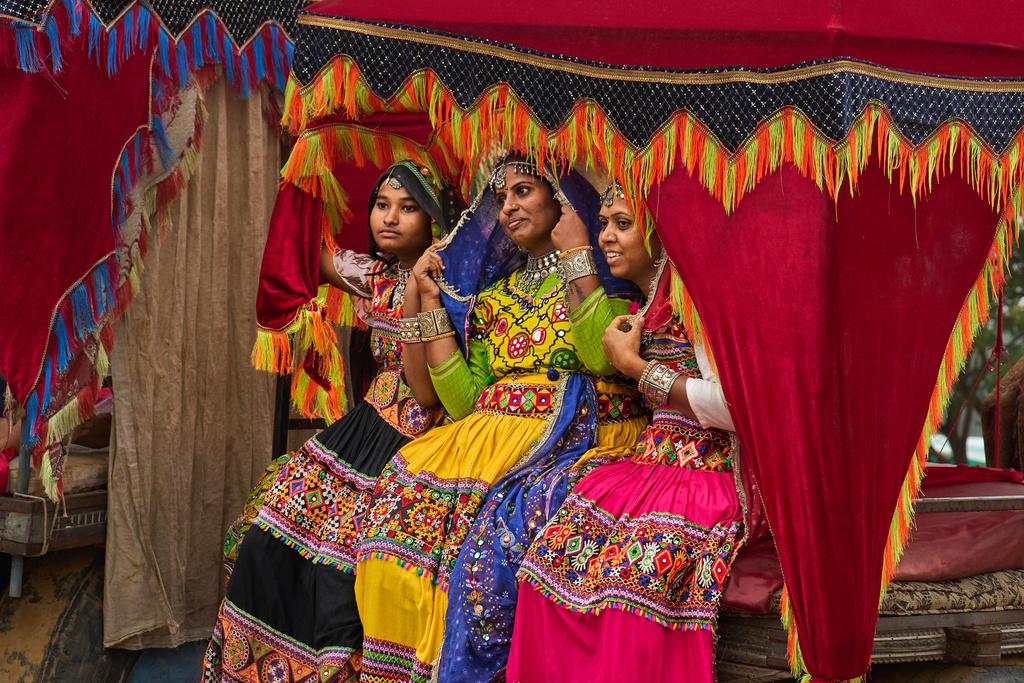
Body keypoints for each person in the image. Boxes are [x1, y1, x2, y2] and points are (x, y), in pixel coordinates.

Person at [352, 155, 648, 682]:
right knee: (395, 517)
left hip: (573, 439)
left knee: (494, 544)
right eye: (501, 196)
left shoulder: (615, 286)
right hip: (488, 438)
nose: (508, 205)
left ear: (561, 196)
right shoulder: (493, 299)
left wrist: (577, 250)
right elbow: (464, 402)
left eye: (524, 191)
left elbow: (601, 358)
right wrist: (428, 301)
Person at [202, 161, 460, 683]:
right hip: (365, 425)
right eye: (381, 206)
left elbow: (435, 384)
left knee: (345, 568)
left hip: (425, 435)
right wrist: (304, 166)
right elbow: (299, 253)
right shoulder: (373, 275)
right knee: (267, 535)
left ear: (436, 219)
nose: (389, 218)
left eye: (408, 208)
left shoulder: (456, 283)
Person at [506, 182, 744, 683]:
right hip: (651, 465)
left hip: (712, 471)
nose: (606, 237)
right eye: (604, 224)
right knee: (543, 574)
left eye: (623, 224)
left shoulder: (695, 292)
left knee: (626, 594)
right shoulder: (650, 298)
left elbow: (735, 407)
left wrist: (638, 369)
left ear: (661, 231)